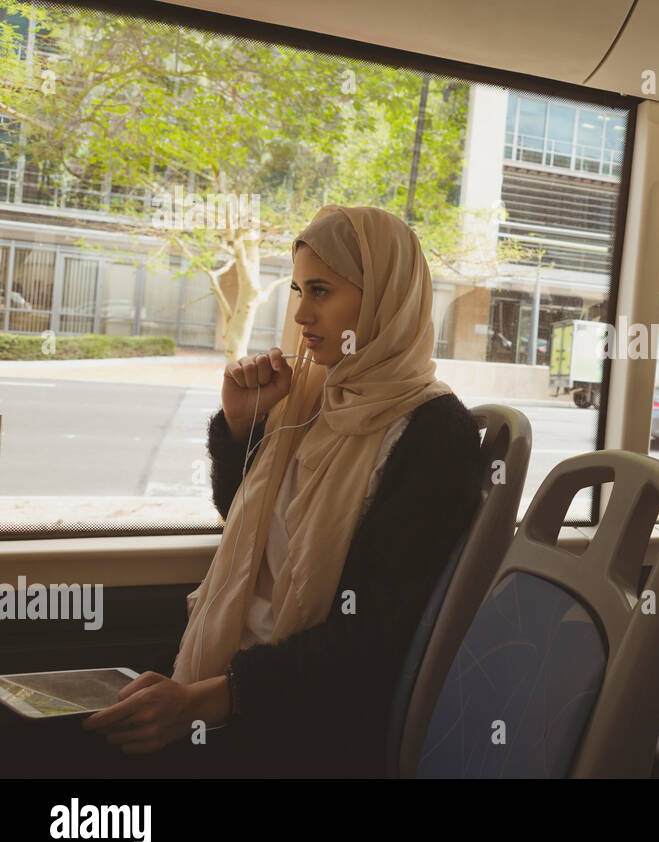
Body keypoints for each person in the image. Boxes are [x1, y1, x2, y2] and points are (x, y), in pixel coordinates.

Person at [72, 205, 483, 778]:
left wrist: (206, 700)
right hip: (233, 676)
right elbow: (254, 533)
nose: (300, 313)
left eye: (320, 291)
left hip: (303, 719)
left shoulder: (436, 436)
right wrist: (242, 427)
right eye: (295, 289)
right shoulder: (314, 399)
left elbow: (375, 636)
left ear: (386, 298)